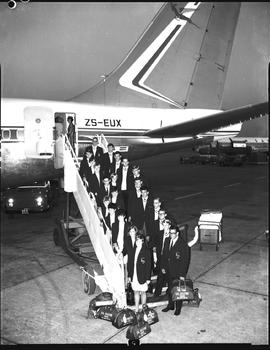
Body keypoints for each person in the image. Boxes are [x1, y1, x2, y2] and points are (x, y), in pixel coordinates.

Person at [161, 225, 190, 316]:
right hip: (168, 270)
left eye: (173, 233)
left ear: (177, 233)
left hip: (177, 271)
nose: (171, 235)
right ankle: (170, 305)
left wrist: (182, 274)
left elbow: (185, 260)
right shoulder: (167, 241)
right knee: (170, 289)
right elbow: (164, 256)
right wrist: (163, 267)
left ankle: (178, 308)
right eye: (170, 233)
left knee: (178, 290)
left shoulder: (182, 244)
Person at [127, 233, 151, 313]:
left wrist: (148, 278)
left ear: (143, 242)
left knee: (143, 292)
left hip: (143, 275)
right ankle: (136, 308)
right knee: (136, 291)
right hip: (134, 275)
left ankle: (144, 309)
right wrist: (129, 275)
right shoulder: (133, 250)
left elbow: (148, 266)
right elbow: (130, 263)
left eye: (140, 241)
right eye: (137, 241)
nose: (138, 242)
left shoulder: (146, 251)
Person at [153, 217, 171, 296]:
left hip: (169, 258)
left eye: (166, 225)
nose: (165, 226)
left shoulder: (172, 234)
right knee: (160, 276)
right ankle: (157, 293)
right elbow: (157, 246)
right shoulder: (160, 233)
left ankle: (169, 291)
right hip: (161, 257)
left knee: (169, 276)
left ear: (169, 226)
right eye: (163, 225)